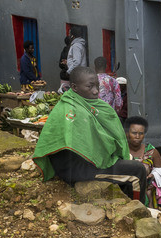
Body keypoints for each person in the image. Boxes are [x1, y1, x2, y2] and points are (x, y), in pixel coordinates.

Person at [32, 67, 152, 199]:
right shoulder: (72, 110)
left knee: (129, 164)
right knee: (137, 170)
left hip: (88, 161)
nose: (95, 91)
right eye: (90, 87)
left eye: (97, 86)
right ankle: (139, 211)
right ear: (74, 87)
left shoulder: (88, 104)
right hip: (77, 168)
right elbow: (93, 145)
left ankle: (127, 203)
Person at [126, 116, 161, 213]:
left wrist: (154, 175)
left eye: (141, 133)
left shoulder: (151, 151)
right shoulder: (122, 151)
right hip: (126, 195)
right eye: (134, 133)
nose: (137, 136)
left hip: (148, 197)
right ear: (127, 133)